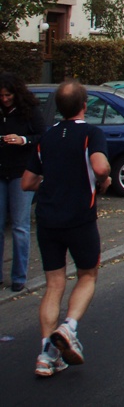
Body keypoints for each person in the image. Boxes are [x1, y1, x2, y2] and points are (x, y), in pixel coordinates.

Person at [21, 80, 111, 378]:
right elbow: (99, 168)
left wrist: (52, 180)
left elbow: (27, 182)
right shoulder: (91, 133)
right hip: (79, 218)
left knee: (54, 284)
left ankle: (46, 355)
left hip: (48, 219)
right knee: (87, 275)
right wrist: (105, 179)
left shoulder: (46, 138)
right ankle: (68, 327)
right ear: (85, 105)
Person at [0, 73, 45, 292]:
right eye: (1, 96)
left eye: (8, 95)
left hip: (21, 172)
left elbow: (41, 136)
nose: (5, 99)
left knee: (19, 225)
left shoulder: (29, 111)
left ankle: (19, 276)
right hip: (1, 172)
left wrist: (22, 140)